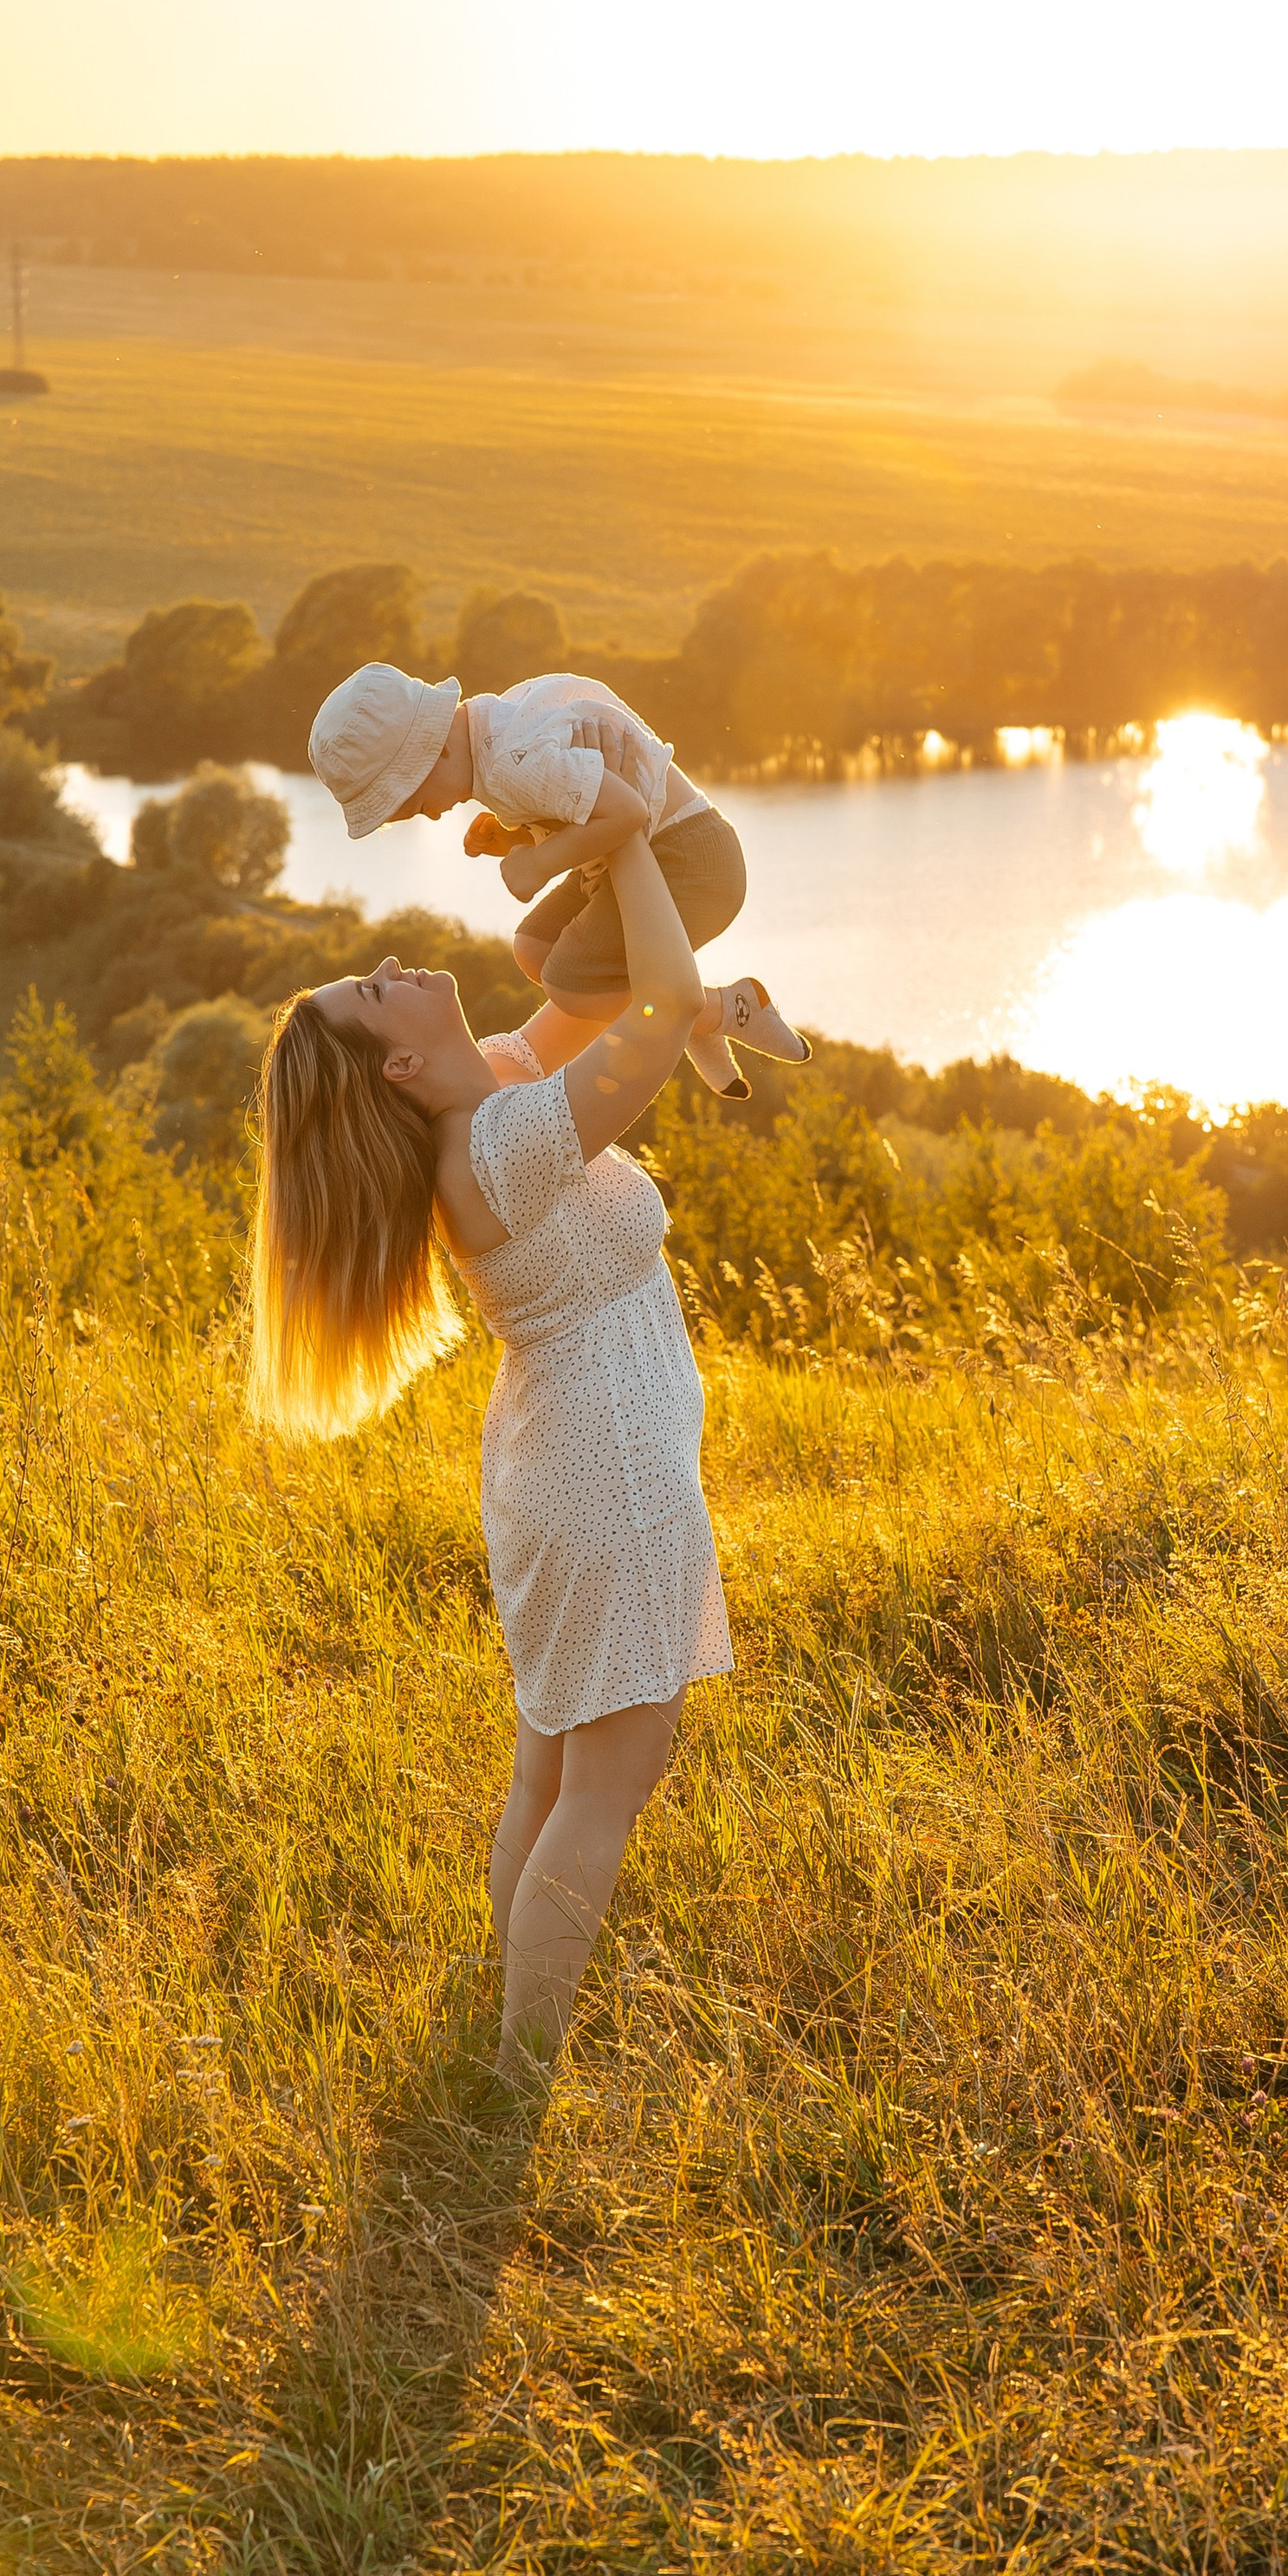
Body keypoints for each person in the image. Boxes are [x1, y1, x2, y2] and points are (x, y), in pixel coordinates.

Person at [249, 829, 729, 2082]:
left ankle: (498, 2027)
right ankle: (520, 2075)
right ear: (400, 1059)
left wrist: (580, 866)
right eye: (374, 987)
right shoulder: (505, 1145)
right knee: (603, 1790)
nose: (395, 962)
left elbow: (597, 996)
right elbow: (665, 1005)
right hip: (602, 1475)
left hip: (560, 1467)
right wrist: (632, 839)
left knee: (551, 1772)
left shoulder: (500, 1091)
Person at [307, 661, 812, 1100]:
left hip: (691, 861)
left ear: (429, 753)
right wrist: (516, 839)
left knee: (570, 986)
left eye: (418, 805)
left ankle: (727, 1007)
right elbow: (575, 801)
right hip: (631, 859)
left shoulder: (508, 761)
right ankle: (699, 1016)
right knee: (533, 947)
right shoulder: (493, 727)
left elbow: (628, 812)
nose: (435, 817)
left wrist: (537, 864)